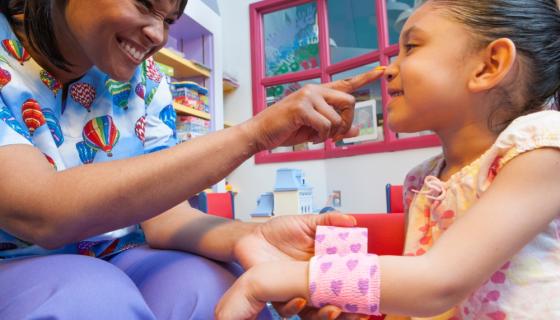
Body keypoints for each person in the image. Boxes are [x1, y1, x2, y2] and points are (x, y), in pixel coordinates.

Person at [0, 0, 385, 319]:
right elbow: (41, 212)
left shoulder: (147, 80)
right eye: (144, 5)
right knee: (88, 300)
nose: (157, 35)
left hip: (119, 255)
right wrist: (256, 133)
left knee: (215, 287)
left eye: (168, 20)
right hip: (20, 265)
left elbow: (164, 215)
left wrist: (250, 237)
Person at [215, 0, 560, 319]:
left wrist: (272, 279)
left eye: (411, 47)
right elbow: (413, 301)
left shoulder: (540, 148)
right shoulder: (422, 179)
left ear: (489, 65)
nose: (389, 69)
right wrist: (359, 296)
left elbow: (439, 281)